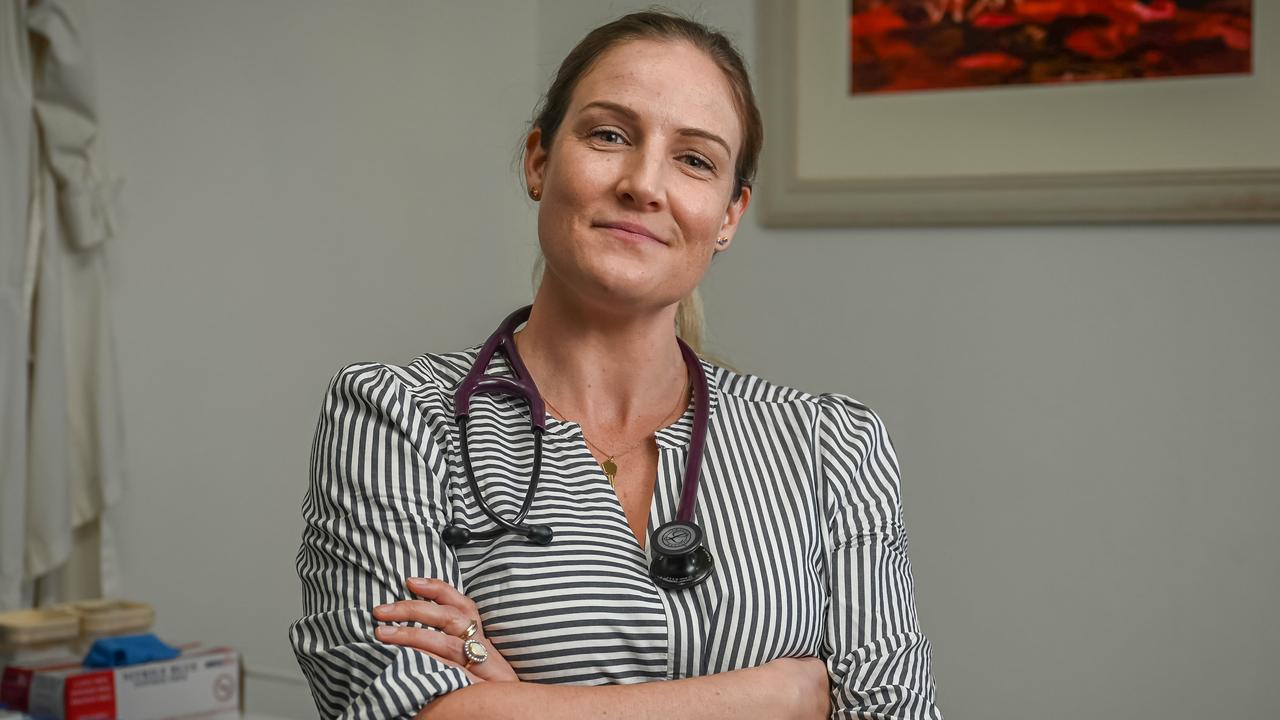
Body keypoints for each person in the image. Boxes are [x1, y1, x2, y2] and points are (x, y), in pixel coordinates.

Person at [289, 10, 943, 720]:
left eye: (695, 159)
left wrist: (507, 697)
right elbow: (398, 711)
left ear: (728, 215)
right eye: (609, 135)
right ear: (539, 160)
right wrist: (781, 696)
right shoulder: (398, 417)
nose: (643, 183)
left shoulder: (832, 447)